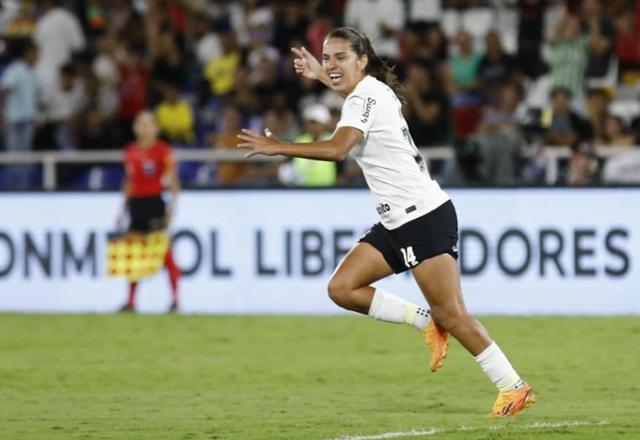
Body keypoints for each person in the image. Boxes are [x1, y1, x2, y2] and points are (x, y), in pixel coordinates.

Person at [238, 27, 535, 417]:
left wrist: (280, 147)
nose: (332, 64)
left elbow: (338, 149)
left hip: (422, 217)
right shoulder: (370, 92)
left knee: (453, 313)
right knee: (343, 288)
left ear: (362, 60)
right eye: (327, 57)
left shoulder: (366, 95)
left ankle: (513, 386)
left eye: (340, 57)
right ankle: (425, 321)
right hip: (397, 220)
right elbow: (352, 99)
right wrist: (321, 76)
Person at [117, 111, 181, 312]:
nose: (144, 128)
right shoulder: (130, 151)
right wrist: (122, 210)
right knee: (133, 254)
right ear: (135, 128)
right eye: (140, 123)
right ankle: (131, 301)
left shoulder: (163, 151)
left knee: (163, 253)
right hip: (136, 205)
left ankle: (175, 300)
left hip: (154, 203)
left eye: (148, 124)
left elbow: (173, 182)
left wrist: (171, 208)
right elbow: (129, 181)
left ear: (156, 129)